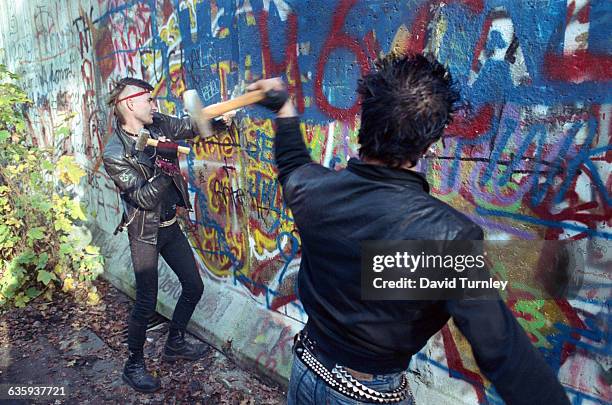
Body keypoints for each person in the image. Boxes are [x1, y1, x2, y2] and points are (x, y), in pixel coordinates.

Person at [247, 54, 570, 405]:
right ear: (429, 142)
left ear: (363, 120)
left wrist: (284, 108)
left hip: (305, 372)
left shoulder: (313, 191)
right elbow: (500, 348)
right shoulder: (444, 238)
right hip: (366, 395)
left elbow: (292, 162)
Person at [103, 77, 210, 393]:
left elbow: (192, 127)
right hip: (145, 232)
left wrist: (219, 122)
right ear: (130, 104)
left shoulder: (159, 124)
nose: (155, 105)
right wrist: (165, 166)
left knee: (193, 285)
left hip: (169, 225)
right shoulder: (115, 152)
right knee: (146, 302)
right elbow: (144, 198)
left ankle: (175, 341)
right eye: (148, 100)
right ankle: (133, 364)